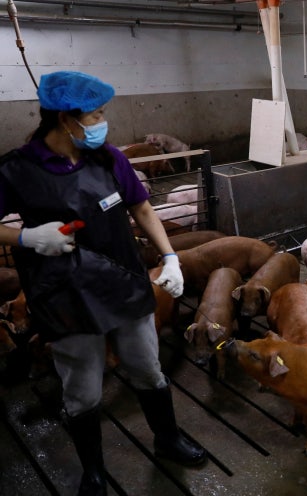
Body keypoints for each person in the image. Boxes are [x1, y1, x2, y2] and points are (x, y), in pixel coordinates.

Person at [0, 71, 206, 495]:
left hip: (122, 284)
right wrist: (25, 236)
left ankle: (168, 438)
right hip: (64, 295)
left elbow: (143, 209)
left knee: (148, 367)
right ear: (65, 120)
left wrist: (170, 256)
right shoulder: (17, 169)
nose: (101, 122)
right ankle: (94, 470)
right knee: (83, 387)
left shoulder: (110, 158)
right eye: (95, 115)